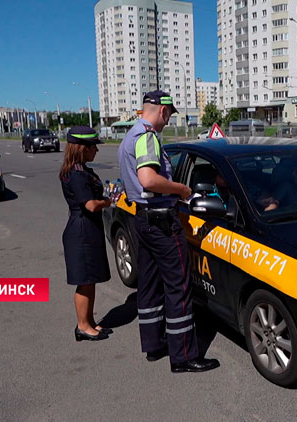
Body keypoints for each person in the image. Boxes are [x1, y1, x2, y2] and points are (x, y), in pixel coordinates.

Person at [118, 90, 220, 373]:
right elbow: (149, 179)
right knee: (179, 285)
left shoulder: (130, 136)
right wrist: (182, 190)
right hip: (162, 222)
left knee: (149, 283)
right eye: (169, 115)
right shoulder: (148, 137)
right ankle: (184, 356)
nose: (167, 121)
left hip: (144, 219)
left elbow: (133, 185)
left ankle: (153, 344)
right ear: (162, 111)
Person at [60, 126, 114, 341]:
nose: (97, 151)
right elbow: (90, 205)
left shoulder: (82, 170)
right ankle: (82, 326)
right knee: (84, 280)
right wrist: (109, 202)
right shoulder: (76, 173)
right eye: (93, 146)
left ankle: (89, 321)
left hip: (87, 229)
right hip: (81, 230)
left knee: (90, 279)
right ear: (81, 148)